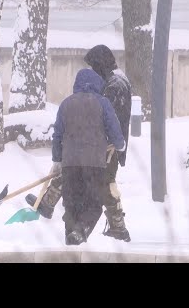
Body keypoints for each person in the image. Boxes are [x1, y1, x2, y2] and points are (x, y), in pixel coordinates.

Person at [26, 44, 132, 242]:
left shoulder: (114, 83)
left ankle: (114, 226)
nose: (92, 69)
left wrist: (113, 143)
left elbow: (109, 118)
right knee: (92, 180)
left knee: (101, 184)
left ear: (100, 63)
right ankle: (113, 226)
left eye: (93, 65)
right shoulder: (114, 79)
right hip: (104, 144)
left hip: (106, 146)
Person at [51, 68, 125, 245]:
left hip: (70, 164)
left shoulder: (66, 104)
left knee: (71, 205)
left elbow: (57, 135)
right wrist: (120, 144)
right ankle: (81, 229)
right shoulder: (102, 103)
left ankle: (72, 241)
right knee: (93, 204)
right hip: (94, 165)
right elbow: (114, 130)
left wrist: (57, 160)